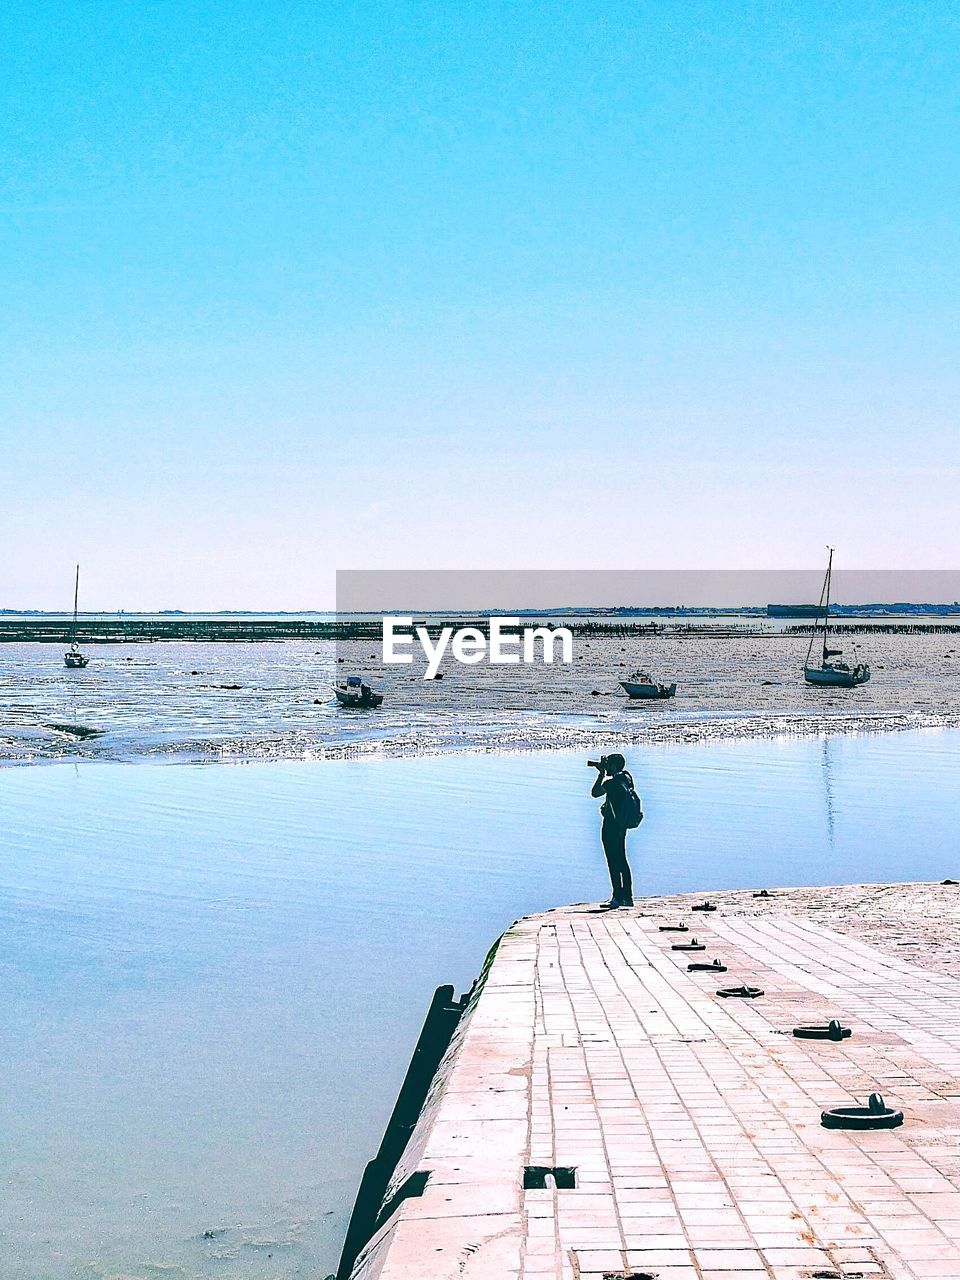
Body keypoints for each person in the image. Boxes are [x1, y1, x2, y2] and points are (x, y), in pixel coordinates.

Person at [590, 753, 639, 908]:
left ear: (614, 766)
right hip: (622, 825)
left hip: (611, 826)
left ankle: (617, 897)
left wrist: (601, 775)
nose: (607, 767)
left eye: (608, 764)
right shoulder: (627, 778)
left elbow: (595, 792)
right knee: (622, 860)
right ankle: (627, 897)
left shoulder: (612, 783)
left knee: (613, 861)